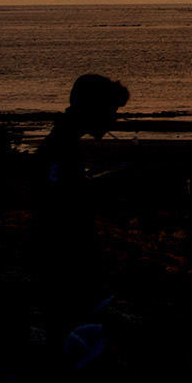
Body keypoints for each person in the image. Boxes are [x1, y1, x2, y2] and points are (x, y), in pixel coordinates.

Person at [33, 73, 131, 326]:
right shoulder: (60, 147)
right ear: (93, 108)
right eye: (110, 110)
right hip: (65, 274)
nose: (113, 118)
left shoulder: (63, 143)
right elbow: (60, 206)